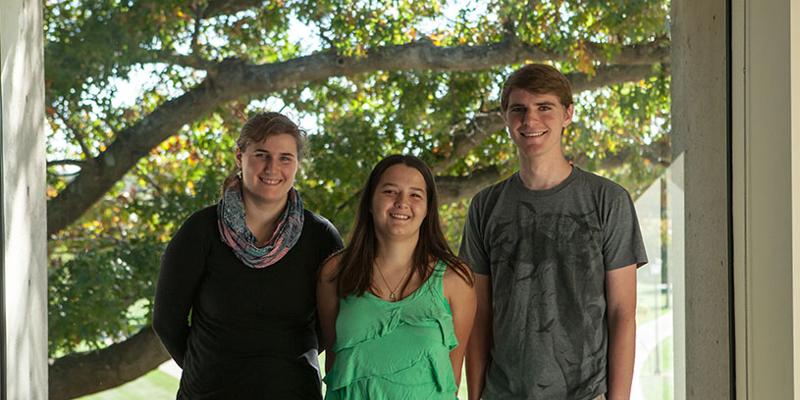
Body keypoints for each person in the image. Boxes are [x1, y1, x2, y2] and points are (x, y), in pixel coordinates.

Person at [460, 64, 648, 400]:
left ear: (567, 114)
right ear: (505, 117)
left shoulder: (608, 200)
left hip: (585, 393)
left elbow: (623, 312)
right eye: (518, 109)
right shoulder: (484, 206)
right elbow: (480, 315)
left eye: (544, 107)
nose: (530, 120)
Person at [153, 112, 343, 399]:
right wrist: (207, 368)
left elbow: (331, 324)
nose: (272, 167)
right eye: (262, 154)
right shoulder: (201, 230)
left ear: (297, 165)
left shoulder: (321, 238)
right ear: (239, 156)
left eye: (285, 158)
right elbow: (167, 321)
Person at [317, 154, 476, 399]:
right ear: (370, 201)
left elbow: (450, 381)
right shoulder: (336, 272)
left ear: (427, 209)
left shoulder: (456, 280)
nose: (402, 202)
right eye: (390, 191)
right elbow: (335, 367)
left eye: (415, 195)